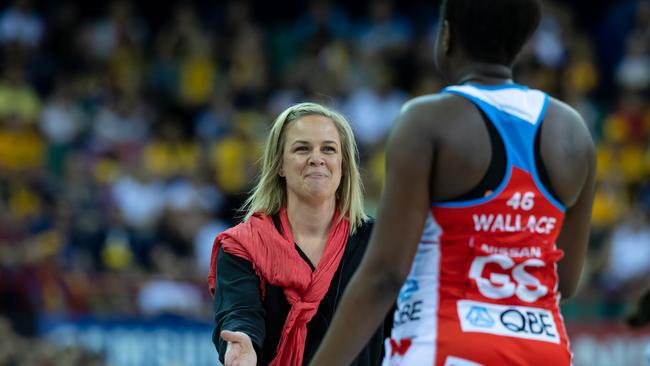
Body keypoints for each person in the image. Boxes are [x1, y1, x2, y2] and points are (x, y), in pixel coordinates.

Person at [309, 0, 596, 365]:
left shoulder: (426, 120)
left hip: (445, 345)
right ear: (521, 43)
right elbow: (565, 282)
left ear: (446, 37)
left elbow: (384, 275)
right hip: (544, 350)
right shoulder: (573, 130)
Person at [207, 102, 385, 366]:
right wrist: (241, 346)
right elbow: (239, 313)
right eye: (302, 148)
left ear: (343, 164)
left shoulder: (379, 244)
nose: (317, 158)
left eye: (329, 149)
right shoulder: (242, 246)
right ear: (279, 165)